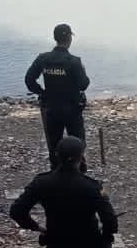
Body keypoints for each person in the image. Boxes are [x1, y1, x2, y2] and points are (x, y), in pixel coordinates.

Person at [24, 23, 90, 163]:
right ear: (70, 39)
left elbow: (29, 80)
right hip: (72, 108)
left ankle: (56, 169)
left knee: (54, 143)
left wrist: (42, 93)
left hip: (52, 108)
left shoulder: (43, 58)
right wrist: (82, 71)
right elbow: (83, 85)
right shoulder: (74, 61)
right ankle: (78, 170)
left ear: (55, 38)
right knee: (77, 143)